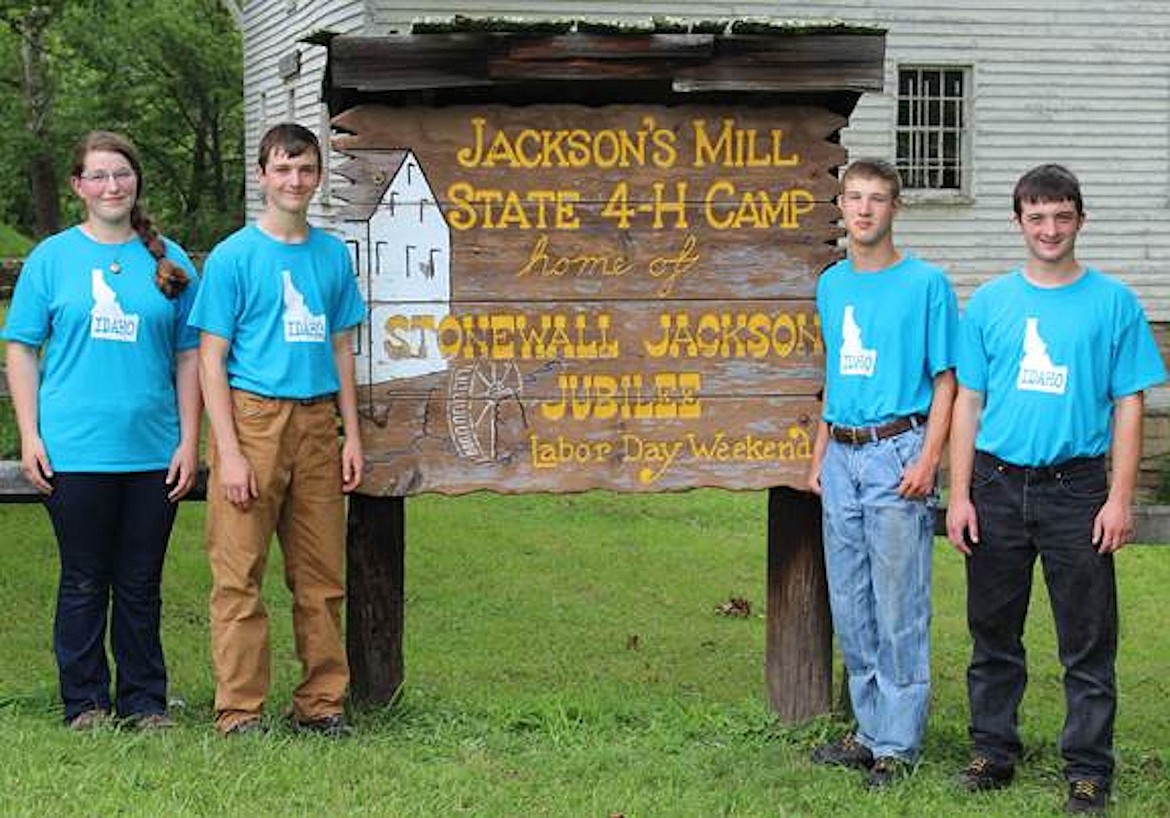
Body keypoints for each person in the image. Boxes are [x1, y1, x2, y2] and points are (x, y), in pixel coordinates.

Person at [946, 164, 1165, 815]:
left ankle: (1089, 769)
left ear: (1080, 220)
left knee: (1088, 637)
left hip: (1076, 490)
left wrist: (1118, 497)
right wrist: (958, 494)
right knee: (992, 631)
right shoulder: (989, 303)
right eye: (1037, 217)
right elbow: (967, 402)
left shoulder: (1114, 303)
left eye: (1061, 216)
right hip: (997, 481)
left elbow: (1130, 402)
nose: (1049, 229)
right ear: (1019, 223)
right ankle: (992, 750)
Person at [3, 130, 201, 730]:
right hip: (74, 450)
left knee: (141, 584)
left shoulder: (169, 259)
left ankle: (144, 702)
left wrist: (191, 440)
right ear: (78, 187)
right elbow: (21, 347)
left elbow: (191, 355)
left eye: (121, 173)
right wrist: (30, 435)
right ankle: (85, 703)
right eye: (98, 176)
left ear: (136, 180)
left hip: (153, 451)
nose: (111, 185)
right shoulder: (52, 258)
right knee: (85, 579)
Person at [188, 122, 365, 737]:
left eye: (306, 169)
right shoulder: (235, 256)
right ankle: (240, 711)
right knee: (239, 574)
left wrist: (352, 434)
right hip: (253, 417)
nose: (295, 180)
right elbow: (210, 358)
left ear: (317, 177)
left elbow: (343, 345)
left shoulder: (330, 254)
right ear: (263, 175)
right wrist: (229, 454)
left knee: (321, 576)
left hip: (317, 421)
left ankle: (321, 703)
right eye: (283, 168)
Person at [806, 158, 958, 787]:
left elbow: (947, 379)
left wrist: (930, 458)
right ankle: (868, 731)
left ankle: (897, 741)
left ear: (895, 208)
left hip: (898, 450)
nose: (864, 210)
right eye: (853, 198)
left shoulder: (926, 285)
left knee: (899, 603)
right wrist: (819, 455)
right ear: (840, 207)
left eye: (876, 199)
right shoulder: (832, 285)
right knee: (851, 599)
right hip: (841, 453)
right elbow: (836, 376)